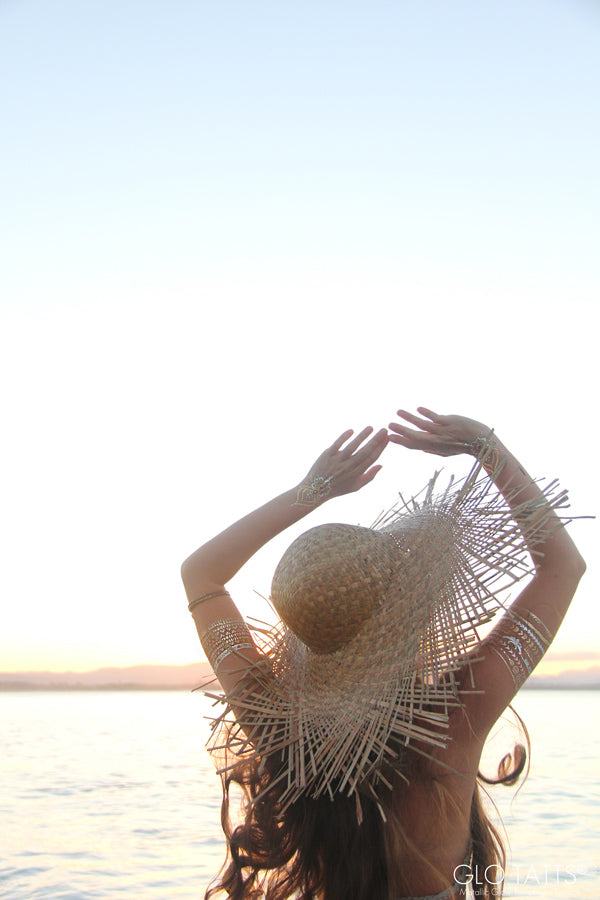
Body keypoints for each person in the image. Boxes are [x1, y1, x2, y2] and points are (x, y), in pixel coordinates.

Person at [181, 408, 586, 900]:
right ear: (411, 619)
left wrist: (313, 490)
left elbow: (200, 575)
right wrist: (486, 447)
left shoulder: (281, 729)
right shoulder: (450, 724)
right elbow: (562, 567)